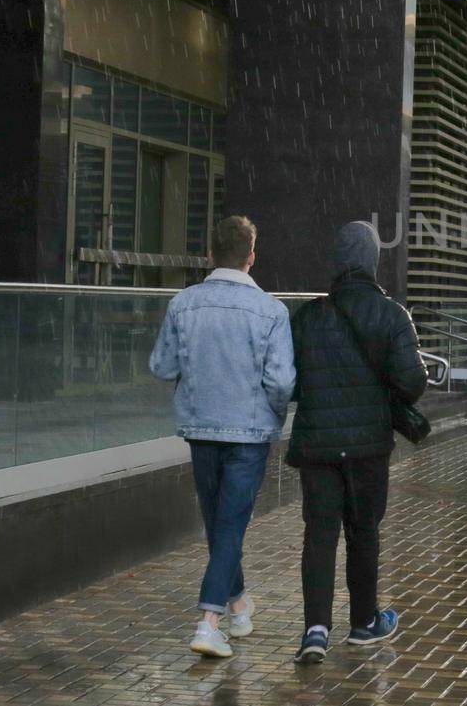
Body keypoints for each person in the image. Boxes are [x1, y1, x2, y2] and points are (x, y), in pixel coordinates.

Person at [150, 215, 296, 658]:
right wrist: (271, 412)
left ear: (210, 254)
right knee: (229, 524)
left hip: (200, 427)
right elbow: (282, 382)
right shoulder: (272, 311)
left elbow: (162, 366)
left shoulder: (184, 304)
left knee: (219, 523)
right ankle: (210, 622)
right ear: (252, 256)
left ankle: (238, 604)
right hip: (249, 433)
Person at [287, 221, 428, 663]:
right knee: (363, 532)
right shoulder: (391, 314)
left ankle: (314, 630)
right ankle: (364, 622)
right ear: (372, 261)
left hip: (318, 446)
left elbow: (291, 383)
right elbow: (412, 383)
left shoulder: (309, 316)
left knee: (320, 534)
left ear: (337, 262)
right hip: (368, 445)